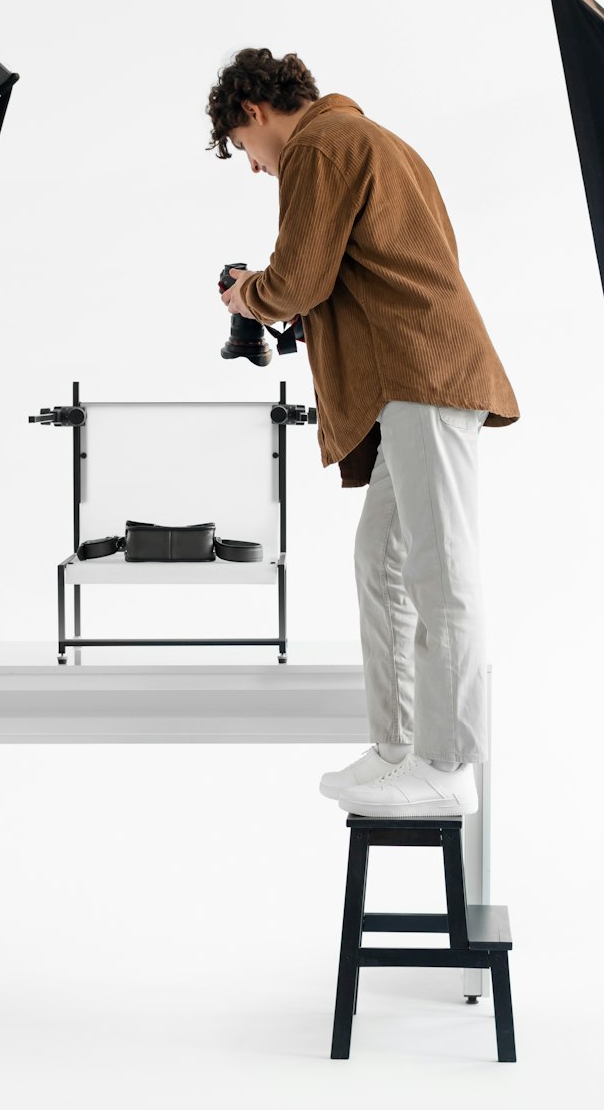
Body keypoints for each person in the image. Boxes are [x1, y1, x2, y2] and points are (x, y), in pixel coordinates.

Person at [207, 47, 518, 817]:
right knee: (381, 563)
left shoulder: (321, 143)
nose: (255, 169)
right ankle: (397, 748)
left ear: (254, 111)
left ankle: (445, 765)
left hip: (423, 376)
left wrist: (249, 296)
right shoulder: (374, 140)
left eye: (245, 151)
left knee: (439, 572)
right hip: (414, 379)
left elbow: (300, 279)